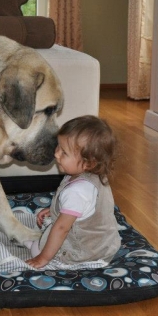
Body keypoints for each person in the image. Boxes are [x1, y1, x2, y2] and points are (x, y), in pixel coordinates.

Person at [25, 115, 121, 269]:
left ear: (89, 162)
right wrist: (53, 209)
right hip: (104, 245)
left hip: (85, 252)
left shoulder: (77, 191)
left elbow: (62, 228)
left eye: (64, 153)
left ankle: (36, 248)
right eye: (58, 147)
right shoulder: (94, 173)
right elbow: (82, 207)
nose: (56, 154)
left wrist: (42, 258)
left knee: (41, 245)